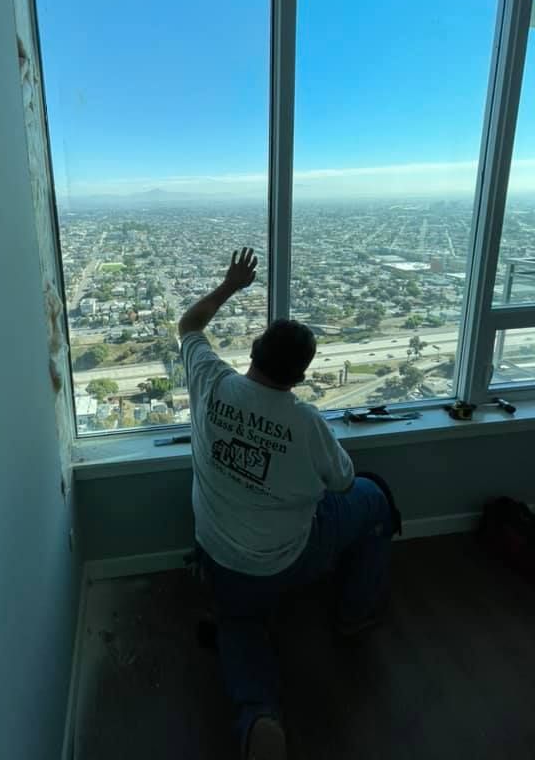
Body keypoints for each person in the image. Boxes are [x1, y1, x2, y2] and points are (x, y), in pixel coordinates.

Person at [178, 247, 394, 760]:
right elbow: (343, 483)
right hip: (286, 555)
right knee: (375, 497)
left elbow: (188, 326)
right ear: (299, 378)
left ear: (253, 351)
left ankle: (259, 713)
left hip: (217, 549)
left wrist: (231, 285)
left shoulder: (211, 384)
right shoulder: (306, 422)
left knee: (242, 625)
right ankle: (353, 615)